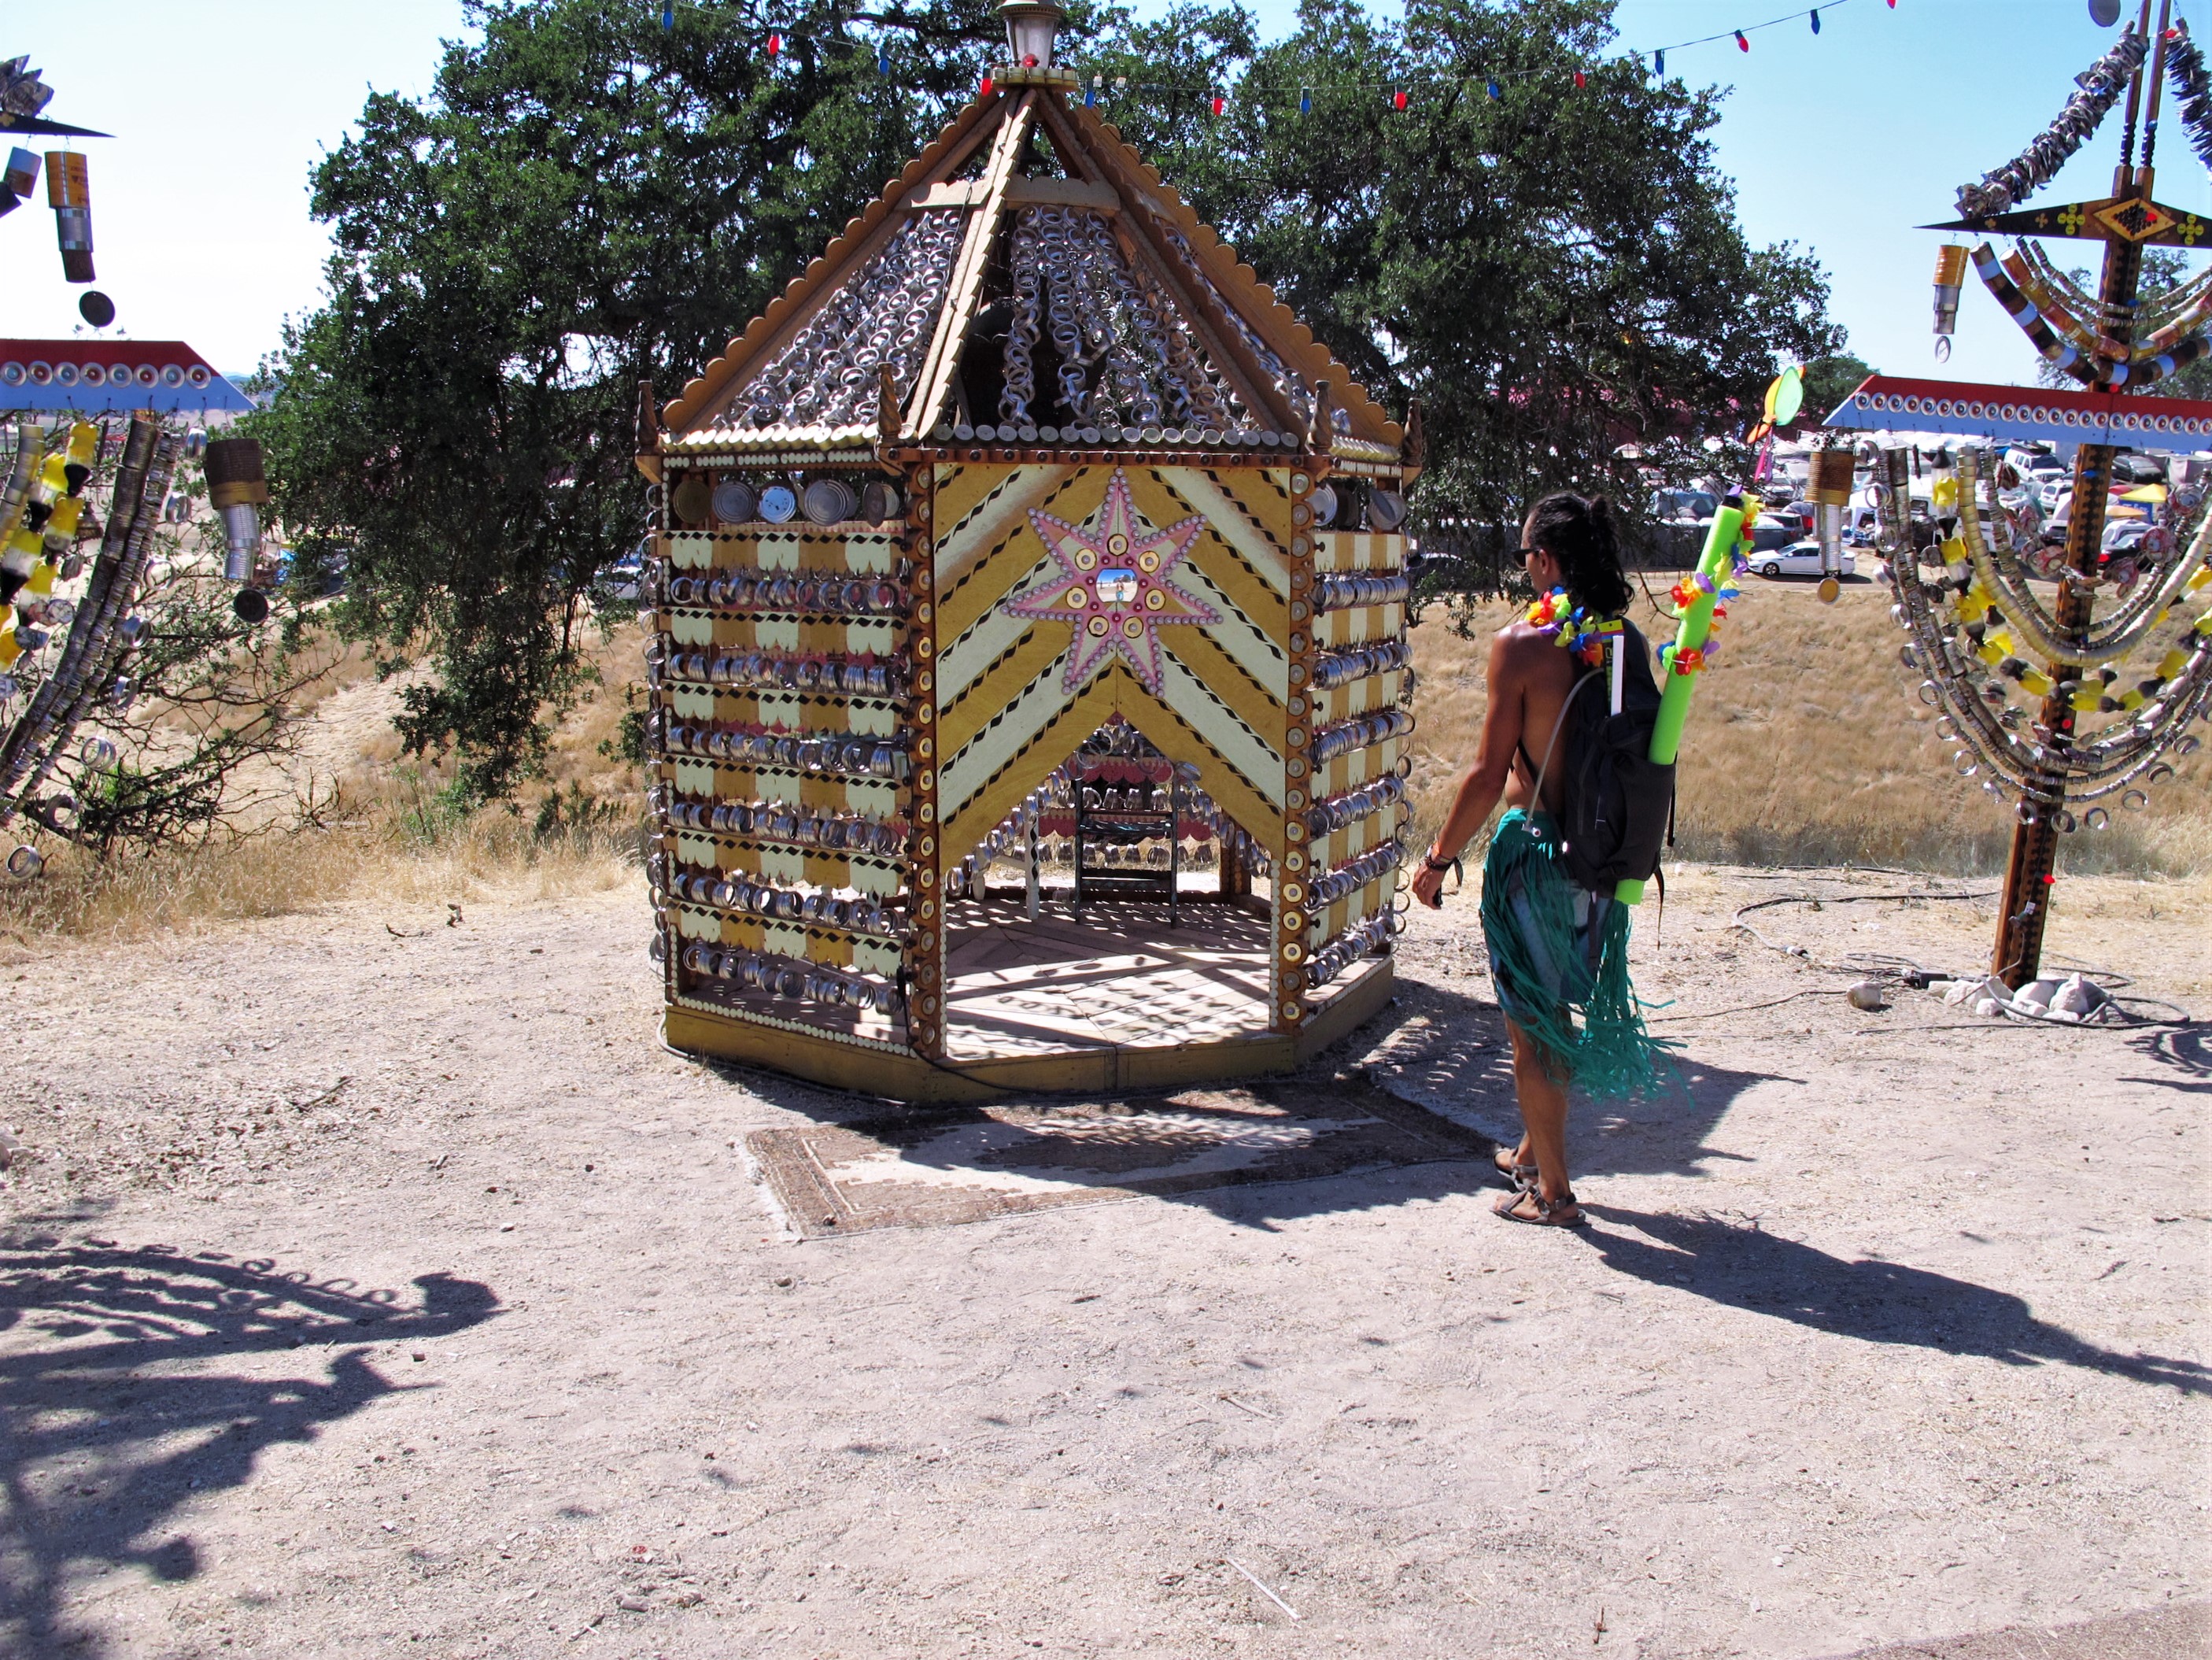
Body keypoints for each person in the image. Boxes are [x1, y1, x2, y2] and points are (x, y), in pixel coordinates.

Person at [1409, 491, 1658, 1226]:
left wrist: (1436, 857)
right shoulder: (1624, 640)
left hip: (1539, 859)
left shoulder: (1521, 644)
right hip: (1606, 862)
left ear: (1546, 559)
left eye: (1525, 556)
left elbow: (1490, 776)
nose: (1523, 569)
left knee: (1534, 1026)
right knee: (1556, 1009)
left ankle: (1553, 1192)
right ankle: (1528, 1148)